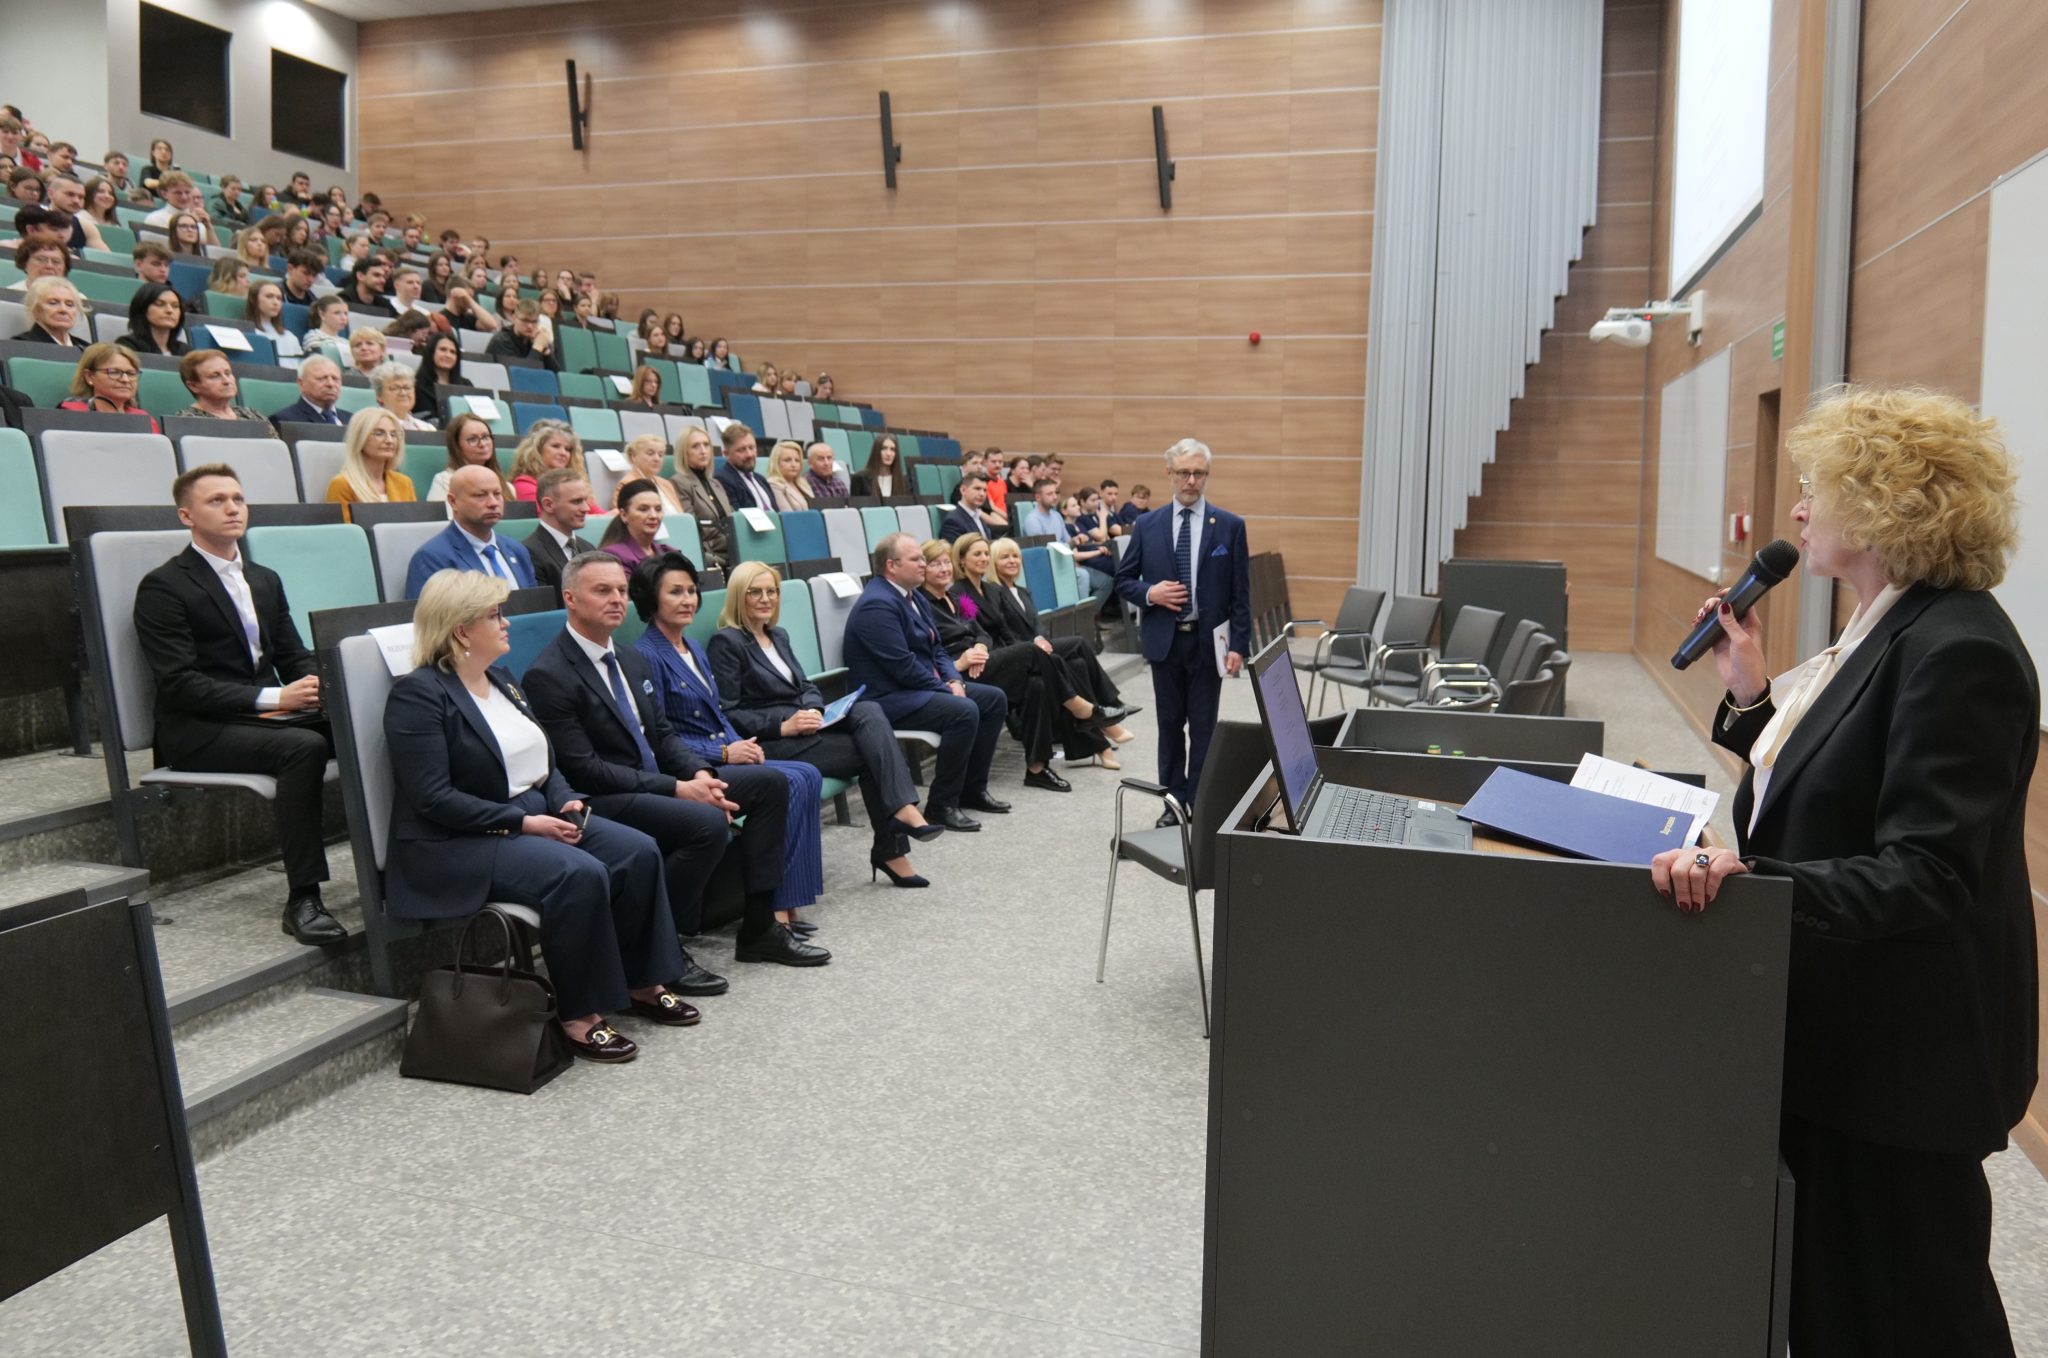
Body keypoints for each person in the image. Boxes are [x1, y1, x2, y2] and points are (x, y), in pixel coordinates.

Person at [1648, 386, 2038, 1358]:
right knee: (1843, 1306)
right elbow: (1825, 790)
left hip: (1901, 1064)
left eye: (1815, 487)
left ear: (1882, 505)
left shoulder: (1958, 650)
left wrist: (1752, 880)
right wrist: (1747, 697)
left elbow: (1925, 873)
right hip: (1846, 1038)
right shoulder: (1884, 626)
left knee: (1911, 1312)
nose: (1795, 511)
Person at [384, 569, 694, 1062]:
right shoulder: (419, 695)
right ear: (463, 630)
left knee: (636, 850)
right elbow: (432, 798)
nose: (507, 624)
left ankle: (642, 982)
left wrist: (563, 798)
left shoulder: (500, 679)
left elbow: (544, 762)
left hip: (531, 814)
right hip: (455, 842)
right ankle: (579, 1014)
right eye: (495, 615)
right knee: (579, 873)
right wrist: (524, 823)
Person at [523, 553, 826, 971]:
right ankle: (661, 947)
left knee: (769, 783)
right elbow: (583, 768)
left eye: (621, 591)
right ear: (571, 598)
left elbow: (662, 735)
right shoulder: (550, 673)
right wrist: (681, 788)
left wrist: (702, 774)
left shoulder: (629, 658)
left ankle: (760, 930)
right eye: (602, 590)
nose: (616, 599)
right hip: (607, 795)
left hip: (658, 780)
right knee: (703, 822)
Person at [134, 465, 341, 944]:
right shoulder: (164, 587)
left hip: (266, 715)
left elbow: (293, 654)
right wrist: (275, 696)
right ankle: (303, 898)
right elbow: (180, 684)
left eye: (238, 499)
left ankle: (398, 864)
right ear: (186, 515)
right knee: (302, 748)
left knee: (371, 723)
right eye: (217, 501)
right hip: (197, 729)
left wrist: (321, 685)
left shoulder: (264, 578)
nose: (232, 508)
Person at [622, 555, 834, 927]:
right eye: (675, 592)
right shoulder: (647, 654)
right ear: (651, 599)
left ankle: (789, 898)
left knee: (808, 775)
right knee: (792, 779)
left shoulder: (693, 648)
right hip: (694, 763)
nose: (688, 600)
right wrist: (722, 751)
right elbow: (662, 733)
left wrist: (743, 746)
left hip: (728, 749)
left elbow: (719, 714)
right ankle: (774, 909)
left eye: (691, 591)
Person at [707, 562, 941, 887]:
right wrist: (783, 724)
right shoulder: (727, 642)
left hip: (807, 727)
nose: (765, 598)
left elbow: (805, 686)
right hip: (775, 740)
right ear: (738, 596)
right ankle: (893, 843)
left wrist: (815, 710)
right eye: (755, 592)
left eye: (772, 591)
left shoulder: (777, 635)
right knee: (875, 755)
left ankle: (899, 818)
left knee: (869, 709)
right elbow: (729, 712)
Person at [1114, 438, 1251, 820]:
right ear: (1169, 474)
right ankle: (1173, 804)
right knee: (1170, 726)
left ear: (1206, 475)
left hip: (1210, 645)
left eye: (1199, 473)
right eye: (1184, 473)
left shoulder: (1229, 526)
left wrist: (1240, 642)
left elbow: (1241, 592)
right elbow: (1123, 581)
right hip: (1166, 643)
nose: (1191, 480)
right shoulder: (1147, 524)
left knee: (1205, 729)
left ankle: (1201, 804)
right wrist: (1150, 593)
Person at [919, 539, 1124, 790]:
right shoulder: (921, 605)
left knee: (1037, 684)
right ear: (923, 570)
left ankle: (1037, 768)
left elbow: (981, 632)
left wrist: (980, 646)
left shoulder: (956, 600)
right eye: (935, 564)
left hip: (982, 659)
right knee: (1032, 652)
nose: (943, 569)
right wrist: (958, 663)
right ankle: (1080, 708)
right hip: (959, 674)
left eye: (945, 563)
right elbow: (926, 650)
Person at [842, 533, 1011, 831]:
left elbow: (937, 648)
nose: (924, 564)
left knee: (994, 698)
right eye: (917, 559)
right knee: (964, 710)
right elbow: (901, 667)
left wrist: (953, 680)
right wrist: (947, 689)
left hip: (916, 687)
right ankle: (942, 804)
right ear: (892, 566)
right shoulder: (877, 604)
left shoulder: (912, 595)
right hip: (885, 698)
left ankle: (972, 789)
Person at [971, 536, 1135, 764]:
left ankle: (1099, 743)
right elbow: (998, 631)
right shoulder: (989, 592)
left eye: (1015, 556)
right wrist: (1034, 645)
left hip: (1035, 649)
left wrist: (1040, 638)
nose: (1012, 561)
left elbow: (1037, 625)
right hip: (1017, 655)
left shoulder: (1023, 591)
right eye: (1004, 557)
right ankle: (1108, 709)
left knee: (1076, 664)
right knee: (1079, 644)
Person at [405, 465, 537, 596]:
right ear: (453, 502)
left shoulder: (517, 550)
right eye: (480, 495)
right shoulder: (432, 558)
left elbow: (535, 606)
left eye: (497, 494)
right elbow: (429, 616)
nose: (493, 503)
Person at [325, 407, 418, 518]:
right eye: (379, 433)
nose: (389, 440)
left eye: (393, 434)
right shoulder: (342, 485)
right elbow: (345, 534)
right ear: (360, 438)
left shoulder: (404, 483)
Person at [523, 468, 597, 599]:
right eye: (576, 501)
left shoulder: (589, 548)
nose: (586, 508)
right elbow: (545, 610)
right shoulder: (529, 552)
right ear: (548, 505)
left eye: (585, 500)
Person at [672, 425, 734, 570]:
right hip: (712, 554)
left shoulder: (716, 483)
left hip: (731, 549)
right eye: (695, 446)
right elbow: (693, 528)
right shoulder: (679, 482)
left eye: (706, 445)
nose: (703, 451)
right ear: (684, 452)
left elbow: (731, 518)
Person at [58, 343, 159, 430]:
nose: (125, 379)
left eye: (131, 373)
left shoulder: (144, 419)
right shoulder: (72, 413)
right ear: (89, 376)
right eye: (114, 372)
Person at [429, 414, 511, 502]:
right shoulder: (444, 481)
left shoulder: (507, 486)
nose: (482, 444)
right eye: (472, 439)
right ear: (456, 446)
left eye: (485, 437)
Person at [599, 479, 675, 571]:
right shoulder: (613, 556)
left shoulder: (669, 552)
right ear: (624, 515)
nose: (654, 516)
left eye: (658, 509)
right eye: (643, 509)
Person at [174, 349, 265, 421]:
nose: (226, 381)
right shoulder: (187, 420)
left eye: (228, 373)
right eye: (215, 376)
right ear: (193, 386)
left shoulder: (253, 416)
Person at [508, 420, 586, 502]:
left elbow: (598, 514)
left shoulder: (575, 485)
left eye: (568, 449)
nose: (564, 453)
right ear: (537, 449)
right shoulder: (524, 485)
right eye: (555, 446)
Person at [268, 354, 347, 429]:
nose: (331, 384)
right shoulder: (283, 421)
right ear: (302, 384)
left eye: (335, 378)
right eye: (321, 378)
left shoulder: (352, 419)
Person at [715, 425, 778, 514]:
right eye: (741, 450)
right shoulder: (722, 479)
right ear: (726, 453)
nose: (749, 454)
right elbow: (739, 517)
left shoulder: (761, 479)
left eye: (752, 448)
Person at [485, 299, 559, 371]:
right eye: (525, 320)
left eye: (534, 322)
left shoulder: (533, 340)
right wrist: (537, 347)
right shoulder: (501, 340)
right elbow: (520, 375)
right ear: (514, 318)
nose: (530, 326)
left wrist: (545, 351)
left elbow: (557, 374)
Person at [117, 282, 188, 357]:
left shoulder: (186, 351)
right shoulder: (128, 345)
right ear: (142, 309)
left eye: (175, 306)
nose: (170, 310)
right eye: (160, 304)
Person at [12, 274, 83, 346]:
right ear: (35, 309)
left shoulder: (86, 348)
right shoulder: (20, 345)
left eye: (69, 305)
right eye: (53, 303)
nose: (63, 309)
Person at [620, 435, 685, 511]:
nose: (657, 459)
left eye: (660, 455)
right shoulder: (626, 484)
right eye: (650, 454)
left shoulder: (666, 484)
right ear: (634, 456)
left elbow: (681, 514)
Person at [368, 360, 434, 432]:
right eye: (394, 388)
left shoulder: (428, 428)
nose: (403, 393)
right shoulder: (372, 425)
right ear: (379, 396)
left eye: (407, 388)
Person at [940, 472, 996, 542]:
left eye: (984, 490)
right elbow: (956, 551)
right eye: (977, 489)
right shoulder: (953, 521)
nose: (982, 494)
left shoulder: (979, 518)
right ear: (963, 490)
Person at [300, 295, 352, 367]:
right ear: (322, 315)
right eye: (337, 313)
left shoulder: (346, 342)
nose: (343, 318)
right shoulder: (313, 336)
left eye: (345, 313)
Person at [763, 439, 812, 512]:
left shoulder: (803, 483)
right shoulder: (774, 484)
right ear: (776, 462)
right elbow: (787, 516)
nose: (793, 464)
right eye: (787, 460)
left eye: (797, 460)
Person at [850, 434, 902, 498]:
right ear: (876, 451)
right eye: (884, 448)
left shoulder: (903, 481)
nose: (889, 453)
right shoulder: (859, 478)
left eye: (892, 449)